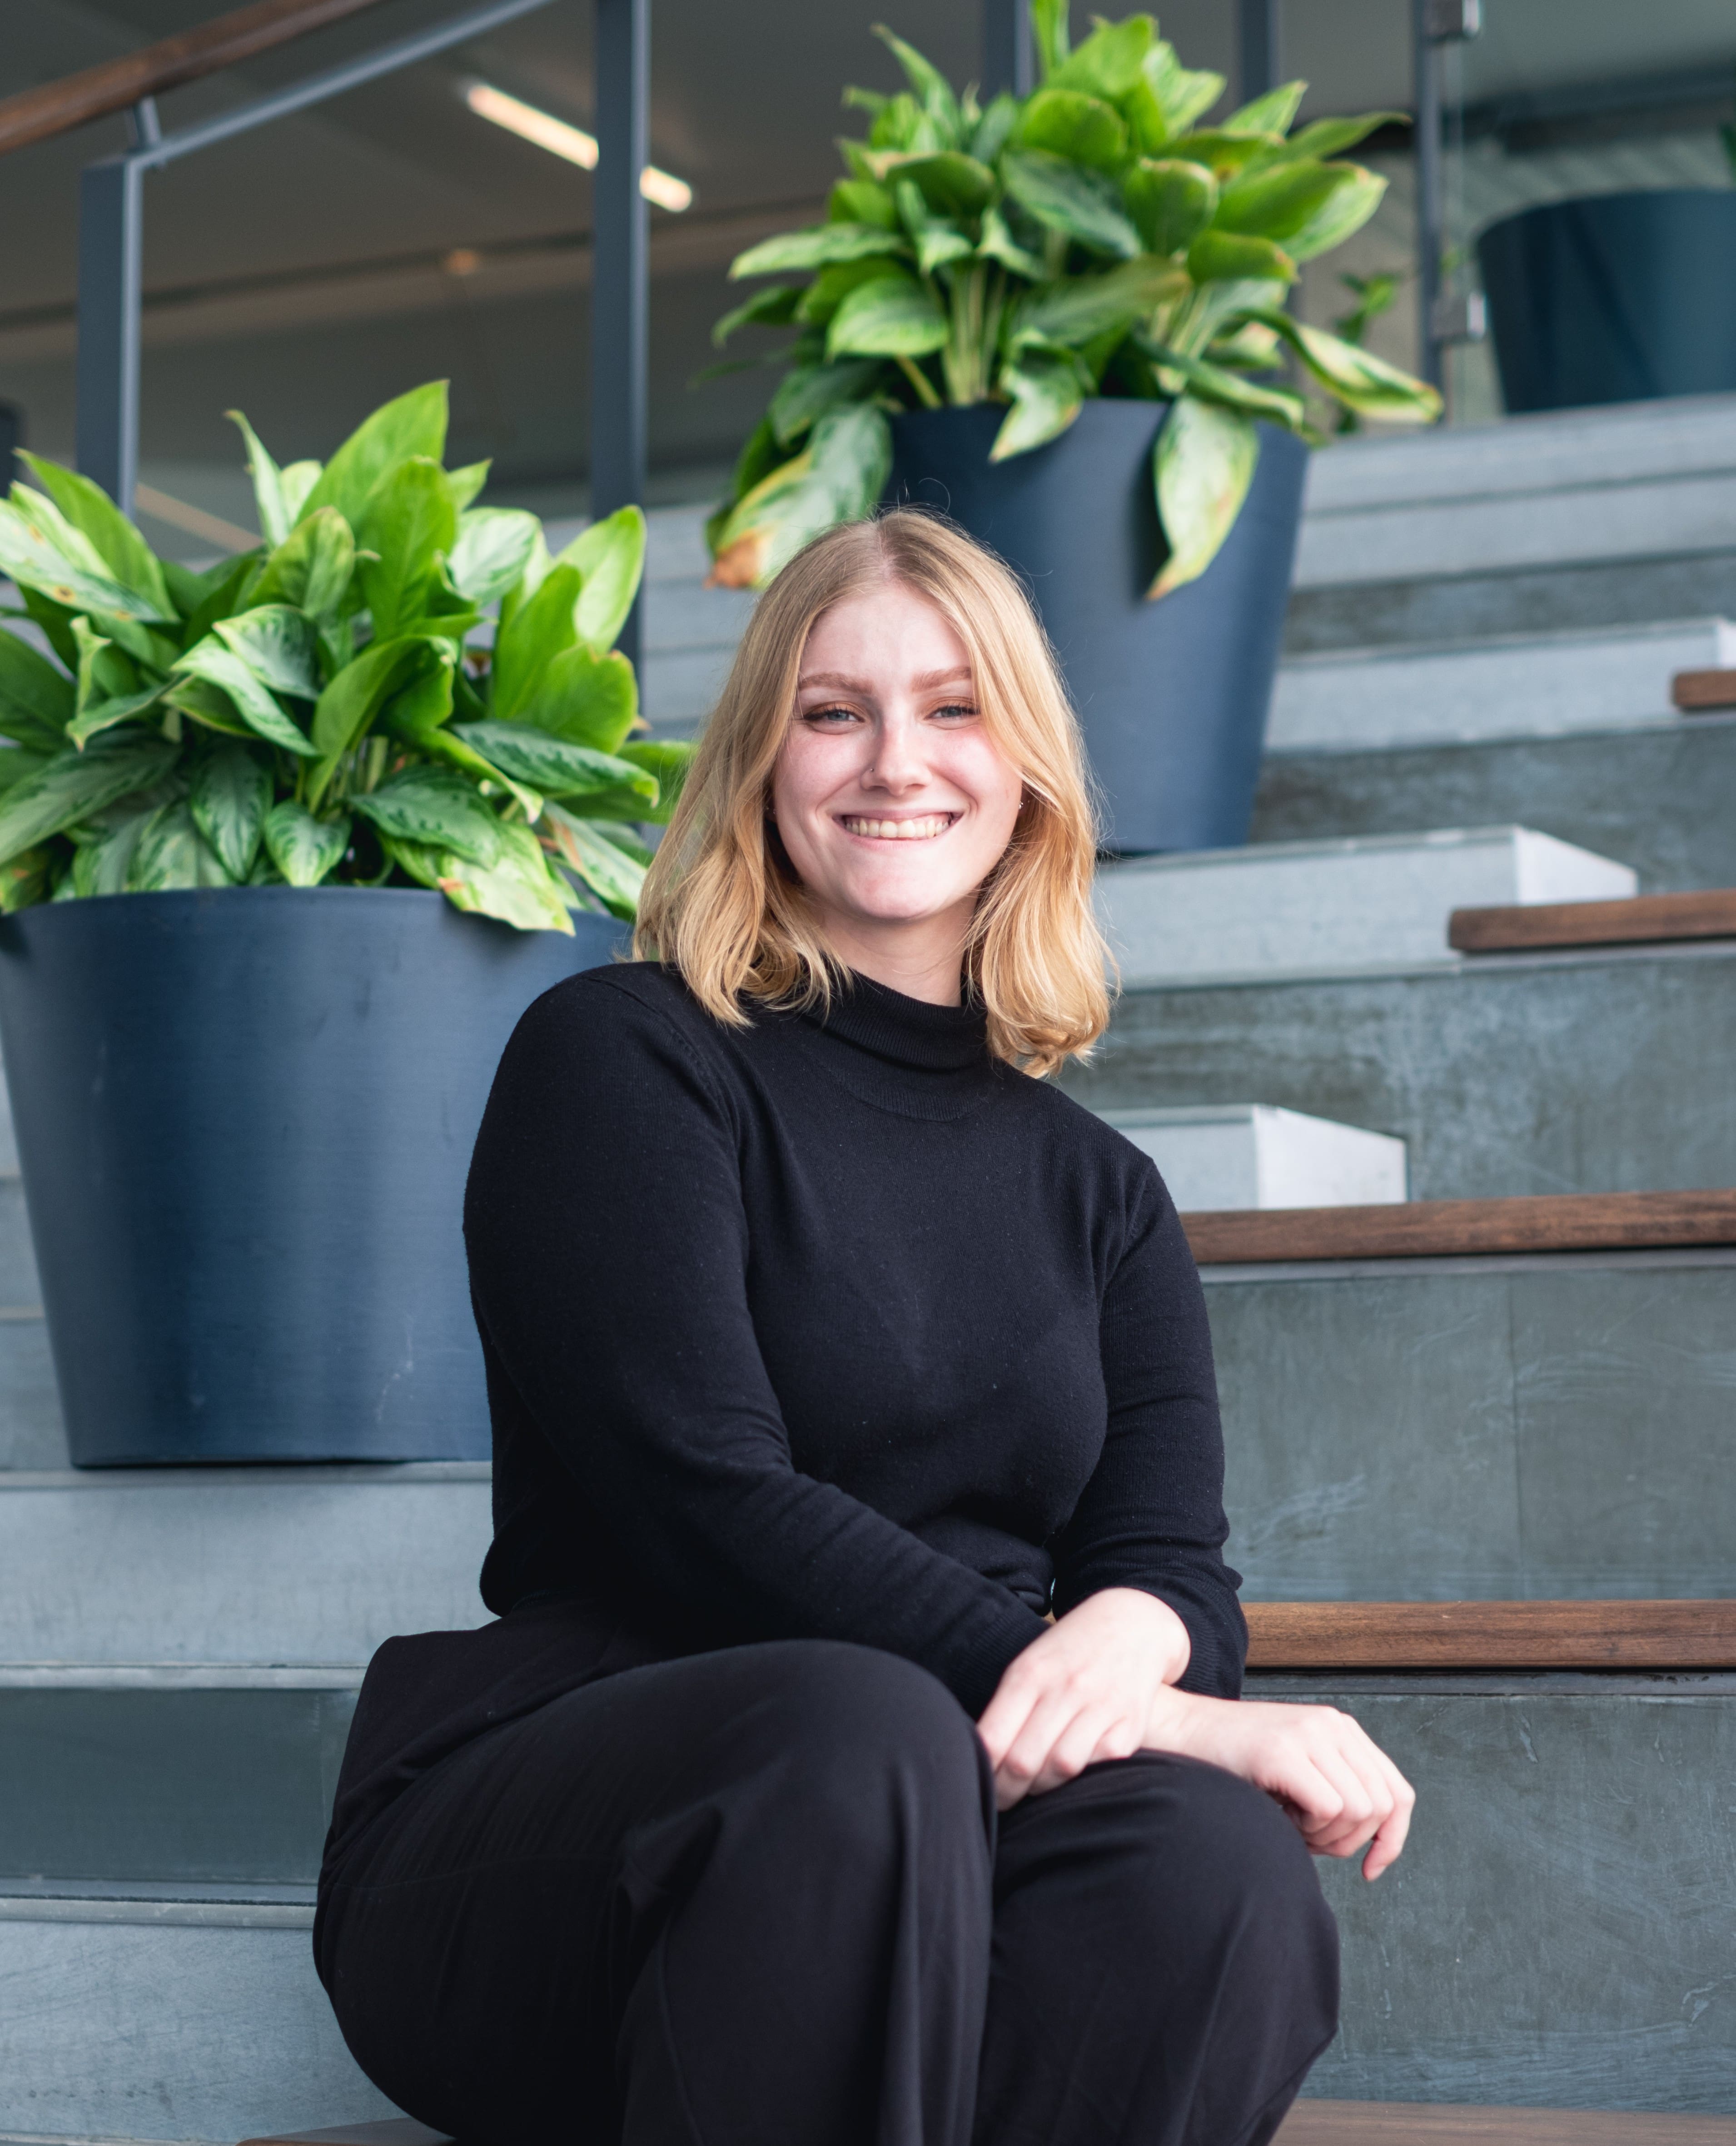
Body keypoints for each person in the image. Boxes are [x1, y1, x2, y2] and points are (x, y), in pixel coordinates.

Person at [315, 508, 1413, 2146]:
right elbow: (702, 1495)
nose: (896, 759)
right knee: (858, 1727)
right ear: (762, 761)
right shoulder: (622, 1058)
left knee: (1215, 1866)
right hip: (580, 1828)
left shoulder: (1102, 1192)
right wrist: (1154, 1702)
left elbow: (1175, 1564)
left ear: (1027, 765)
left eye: (956, 707)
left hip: (946, 1793)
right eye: (835, 711)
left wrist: (1141, 1640)